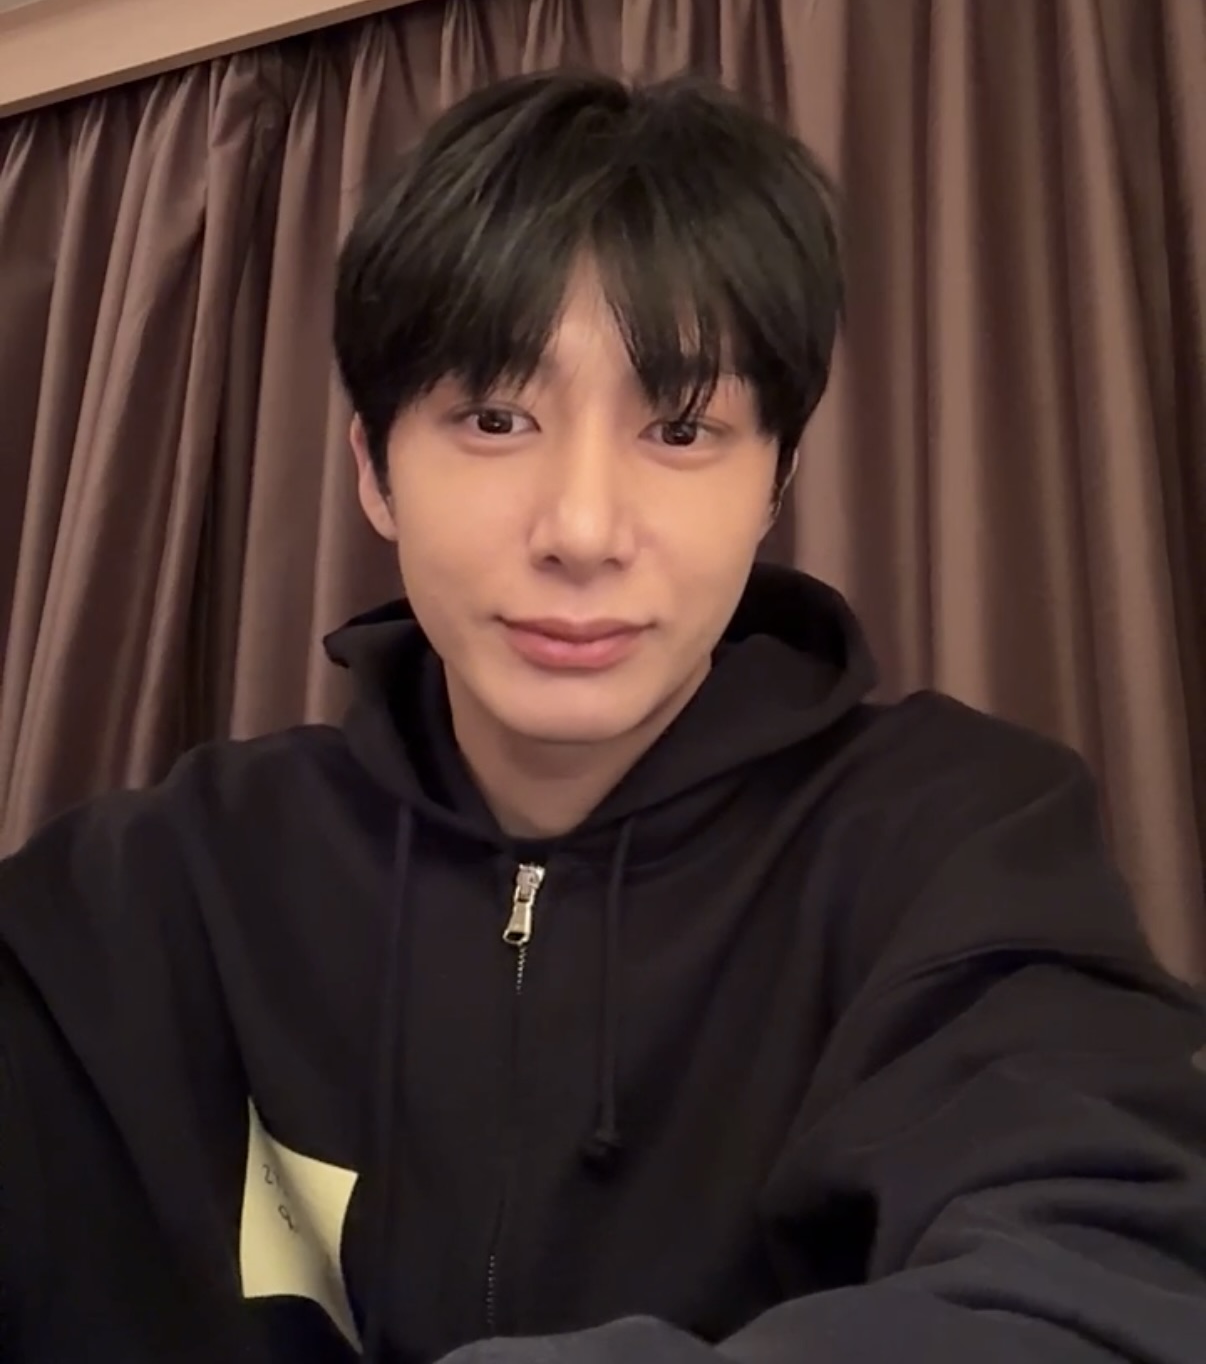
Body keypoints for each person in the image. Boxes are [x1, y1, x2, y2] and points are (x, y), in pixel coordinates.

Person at [1, 71, 1204, 1364]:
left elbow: (1107, 1271)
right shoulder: (158, 886)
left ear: (775, 483)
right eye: (494, 417)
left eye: (681, 429)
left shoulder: (954, 843)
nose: (582, 530)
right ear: (374, 471)